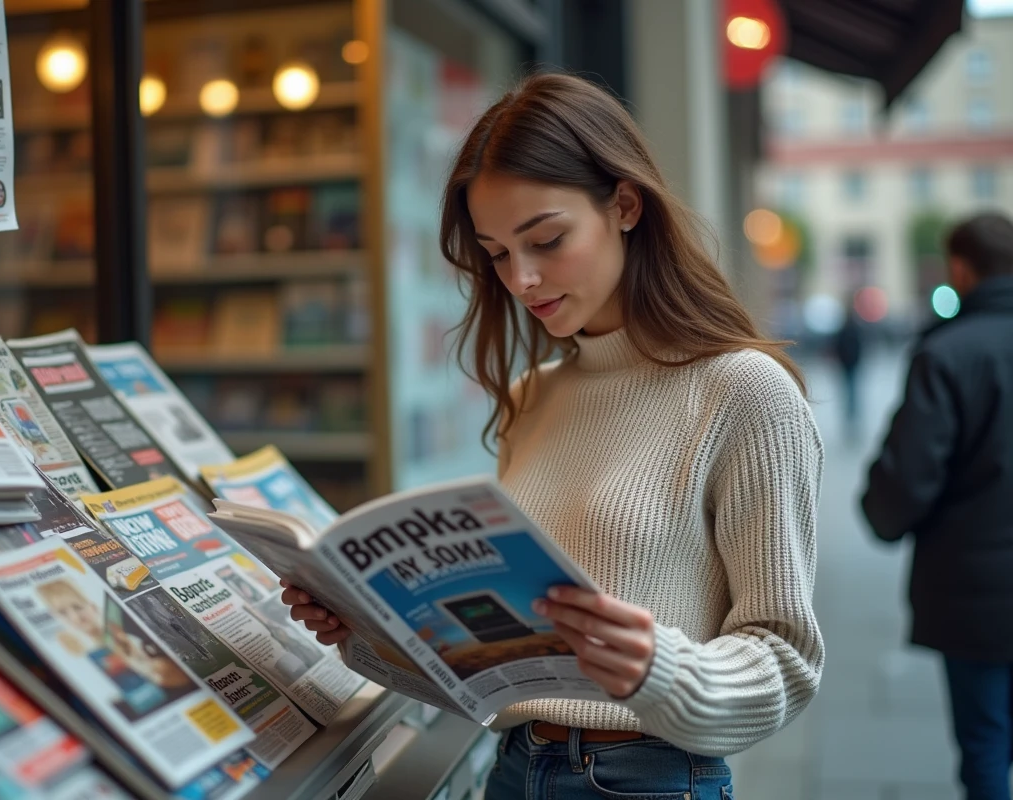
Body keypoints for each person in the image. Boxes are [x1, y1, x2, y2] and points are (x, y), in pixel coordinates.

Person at [281, 72, 824, 799]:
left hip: (648, 777)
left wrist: (656, 669)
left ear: (625, 205)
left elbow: (785, 659)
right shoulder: (533, 394)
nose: (523, 279)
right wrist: (359, 633)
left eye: (546, 240)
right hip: (512, 767)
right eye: (497, 252)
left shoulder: (743, 392)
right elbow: (501, 671)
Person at [861, 212, 1013, 800]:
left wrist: (881, 515)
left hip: (975, 591)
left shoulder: (947, 353)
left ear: (961, 267)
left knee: (984, 745)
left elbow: (909, 475)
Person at [831, 304, 865, 441]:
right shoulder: (853, 328)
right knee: (851, 390)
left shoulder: (845, 329)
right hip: (850, 363)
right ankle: (851, 413)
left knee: (850, 390)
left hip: (847, 364)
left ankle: (851, 413)